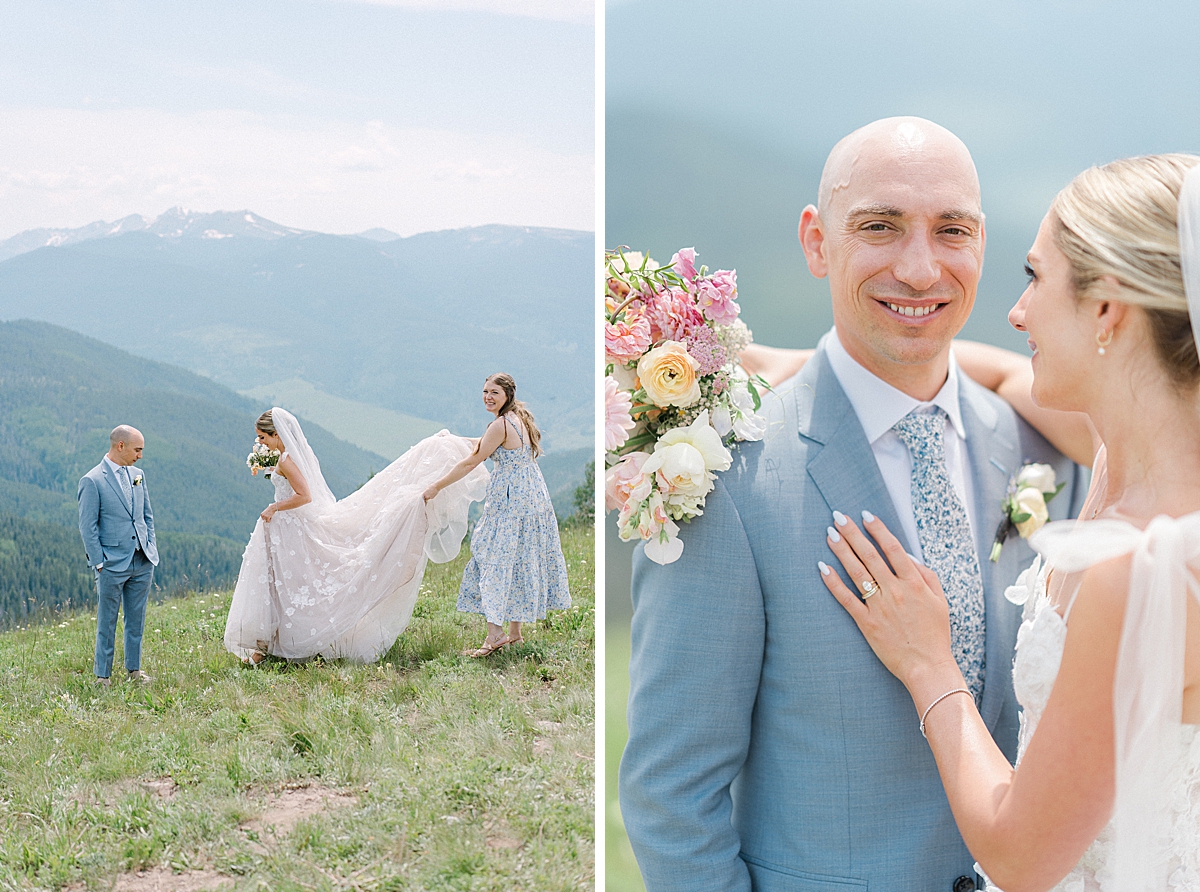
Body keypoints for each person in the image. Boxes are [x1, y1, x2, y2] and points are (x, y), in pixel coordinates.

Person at [618, 117, 1088, 892]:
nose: (919, 267)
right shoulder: (718, 476)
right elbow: (671, 797)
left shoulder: (1037, 447)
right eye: (880, 227)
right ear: (817, 241)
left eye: (952, 231)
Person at [822, 154, 1200, 891]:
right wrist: (823, 364)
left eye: (1035, 277)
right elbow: (988, 371)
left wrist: (928, 662)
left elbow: (1021, 856)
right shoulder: (1116, 453)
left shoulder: (1144, 567)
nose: (1017, 311)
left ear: (1106, 309)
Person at [223, 408, 487, 664]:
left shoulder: (287, 460)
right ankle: (268, 644)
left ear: (277, 435)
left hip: (291, 529)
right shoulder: (284, 457)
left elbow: (305, 496)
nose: (260, 441)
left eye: (263, 437)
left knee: (288, 584)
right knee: (281, 584)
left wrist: (274, 507)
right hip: (285, 529)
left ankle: (277, 643)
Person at [423, 373, 570, 657]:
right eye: (485, 391)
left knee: (493, 558)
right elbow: (485, 443)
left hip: (511, 501)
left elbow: (471, 461)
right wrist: (453, 440)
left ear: (507, 396)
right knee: (518, 558)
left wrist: (436, 486)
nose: (488, 397)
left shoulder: (501, 424)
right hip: (531, 496)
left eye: (494, 393)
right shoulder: (518, 418)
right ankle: (514, 634)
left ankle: (495, 635)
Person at [78, 424, 159, 687]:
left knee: (136, 619)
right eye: (138, 449)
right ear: (120, 446)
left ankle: (134, 671)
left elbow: (146, 516)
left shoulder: (138, 474)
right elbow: (87, 527)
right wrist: (99, 562)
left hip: (142, 560)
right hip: (111, 564)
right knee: (107, 621)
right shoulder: (92, 480)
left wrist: (150, 548)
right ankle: (103, 676)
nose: (140, 455)